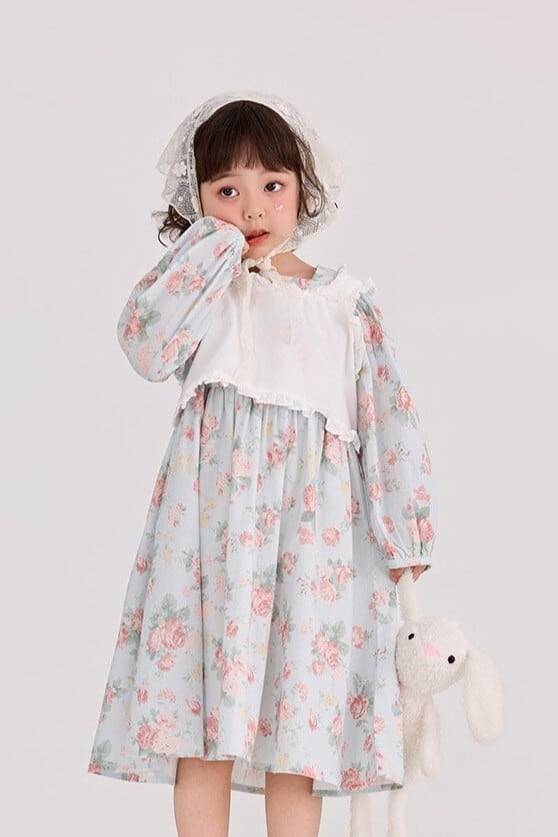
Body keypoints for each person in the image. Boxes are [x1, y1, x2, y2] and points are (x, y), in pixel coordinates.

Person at [87, 91, 438, 837]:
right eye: (226, 191)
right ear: (197, 202)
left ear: (303, 189)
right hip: (210, 543)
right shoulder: (204, 296)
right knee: (201, 722)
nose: (252, 208)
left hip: (312, 547)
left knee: (298, 727)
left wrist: (405, 535)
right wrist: (206, 253)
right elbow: (144, 346)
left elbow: (388, 418)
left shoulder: (344, 304)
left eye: (272, 185)